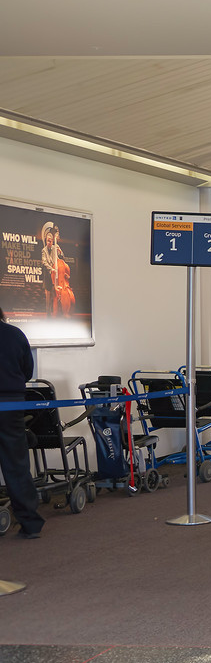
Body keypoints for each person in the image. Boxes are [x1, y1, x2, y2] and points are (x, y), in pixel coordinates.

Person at [0, 308, 45, 538]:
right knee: (16, 464)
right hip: (12, 405)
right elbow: (27, 371)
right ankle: (30, 523)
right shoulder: (16, 335)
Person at [40, 221, 75, 317]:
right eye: (48, 241)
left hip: (56, 278)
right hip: (48, 276)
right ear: (46, 241)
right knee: (48, 299)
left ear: (52, 241)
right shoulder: (44, 250)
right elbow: (44, 262)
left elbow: (62, 258)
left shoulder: (56, 247)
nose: (49, 243)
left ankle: (57, 313)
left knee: (55, 297)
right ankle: (48, 316)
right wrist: (51, 269)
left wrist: (60, 252)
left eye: (51, 241)